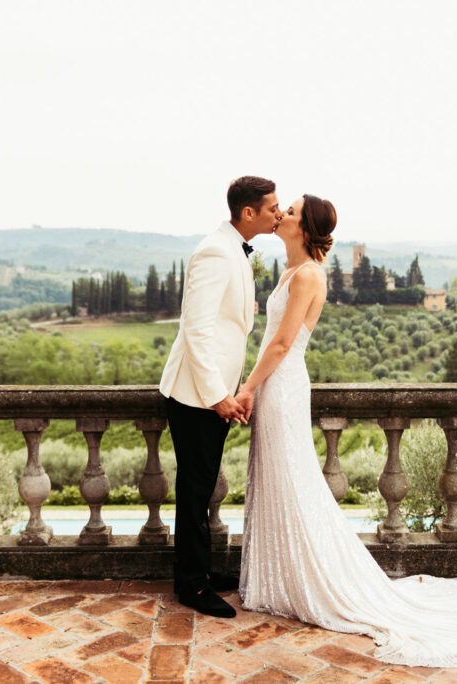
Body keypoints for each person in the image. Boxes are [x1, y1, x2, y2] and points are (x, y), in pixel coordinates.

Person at [234, 194, 457, 667]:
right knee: (278, 480)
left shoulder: (308, 274)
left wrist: (247, 387)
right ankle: (283, 577)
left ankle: (316, 582)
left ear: (305, 229)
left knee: (293, 479)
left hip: (282, 388)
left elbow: (285, 341)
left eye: (290, 211)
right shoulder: (290, 271)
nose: (281, 214)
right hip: (274, 386)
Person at [159, 175, 282, 618]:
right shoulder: (215, 250)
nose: (279, 213)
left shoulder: (233, 247)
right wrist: (217, 396)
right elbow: (196, 328)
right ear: (248, 212)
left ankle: (202, 572)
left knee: (203, 485)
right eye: (272, 208)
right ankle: (191, 586)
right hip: (195, 396)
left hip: (213, 392)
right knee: (195, 490)